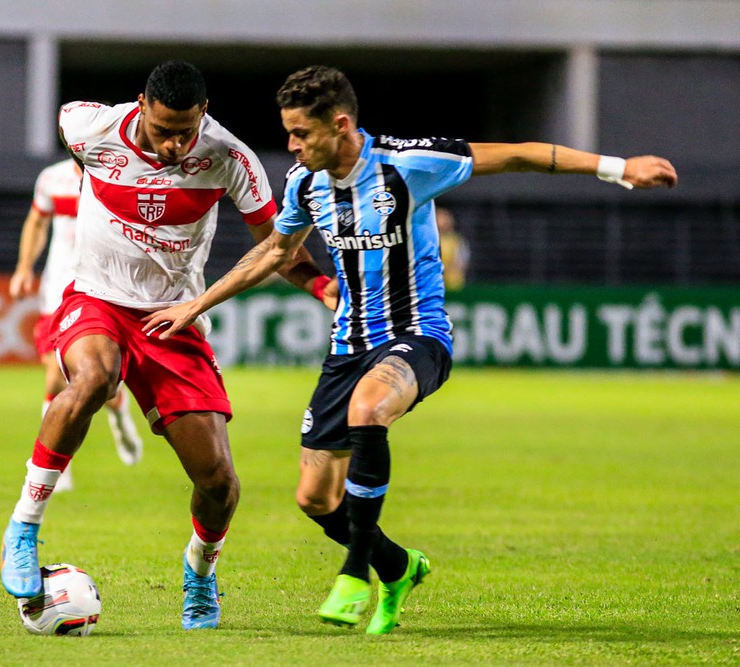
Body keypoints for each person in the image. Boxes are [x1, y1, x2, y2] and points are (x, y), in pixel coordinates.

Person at [141, 65, 677, 634]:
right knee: (315, 499)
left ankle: (353, 576)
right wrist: (194, 305)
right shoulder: (305, 182)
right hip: (348, 347)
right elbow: (275, 252)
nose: (292, 146)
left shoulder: (409, 165)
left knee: (368, 410)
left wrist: (619, 170)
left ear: (339, 124)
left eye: (301, 133)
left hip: (416, 335)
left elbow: (518, 154)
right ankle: (398, 567)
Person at [0, 60, 330, 630]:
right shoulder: (90, 127)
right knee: (93, 379)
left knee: (219, 481)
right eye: (162, 129)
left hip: (173, 318)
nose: (175, 143)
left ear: (204, 113)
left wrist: (324, 287)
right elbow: (63, 120)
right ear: (141, 106)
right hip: (97, 299)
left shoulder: (231, 158)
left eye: (186, 129)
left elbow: (276, 246)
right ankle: (24, 528)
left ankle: (200, 573)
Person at [10, 158, 144, 493]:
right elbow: (37, 223)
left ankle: (118, 410)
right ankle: (58, 468)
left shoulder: (124, 177)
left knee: (102, 385)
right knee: (56, 377)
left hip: (100, 292)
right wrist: (24, 267)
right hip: (57, 293)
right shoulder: (52, 179)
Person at [435, 206, 470, 291]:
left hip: (453, 283)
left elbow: (462, 260)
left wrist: (449, 269)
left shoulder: (456, 239)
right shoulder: (430, 239)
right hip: (435, 281)